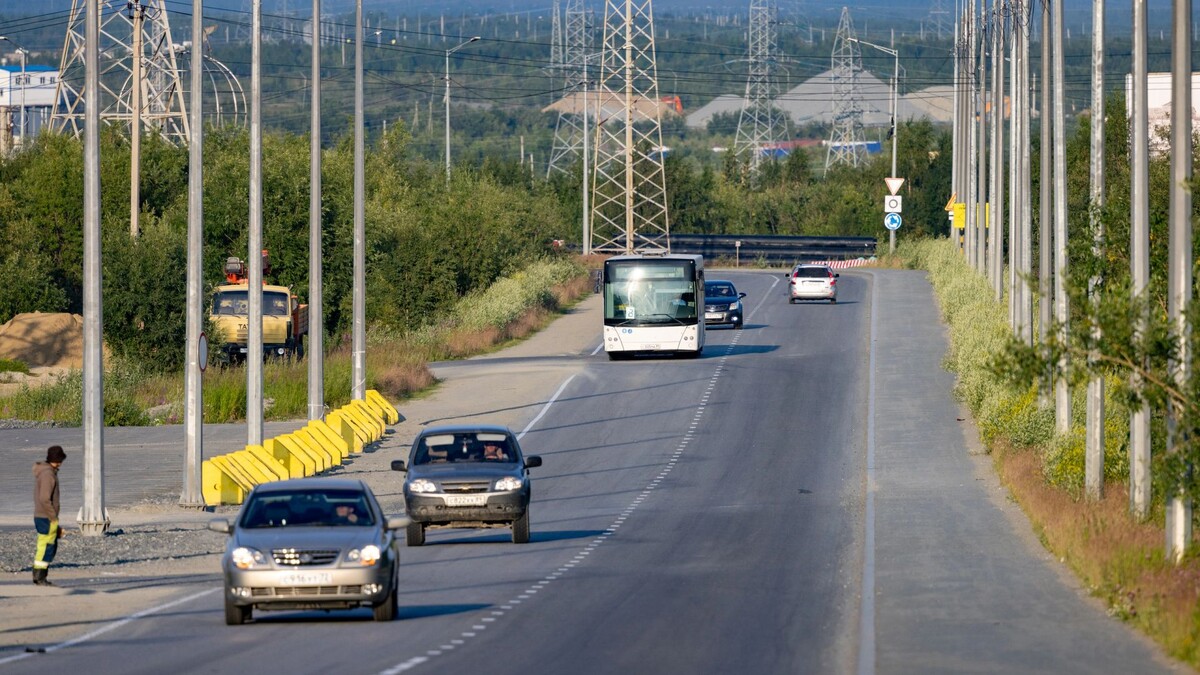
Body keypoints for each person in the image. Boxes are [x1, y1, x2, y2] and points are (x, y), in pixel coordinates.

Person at [32, 445, 66, 586]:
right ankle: (40, 577)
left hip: (43, 516)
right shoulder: (48, 474)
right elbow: (45, 498)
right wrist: (53, 517)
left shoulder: (46, 472)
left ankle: (40, 575)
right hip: (46, 517)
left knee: (46, 545)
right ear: (57, 460)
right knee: (47, 546)